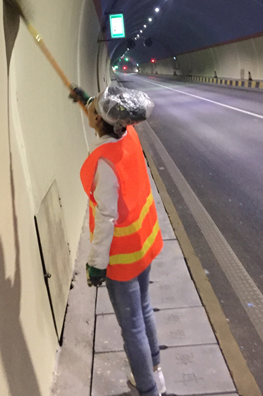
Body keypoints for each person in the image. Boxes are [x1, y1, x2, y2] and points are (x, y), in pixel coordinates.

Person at [69, 85, 166, 396]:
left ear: (99, 119)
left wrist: (96, 265)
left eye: (93, 107)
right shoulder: (128, 134)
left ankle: (147, 389)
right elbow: (106, 116)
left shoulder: (103, 162)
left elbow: (106, 219)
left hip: (122, 256)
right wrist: (86, 100)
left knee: (132, 326)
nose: (90, 108)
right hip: (144, 241)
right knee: (145, 308)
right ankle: (155, 370)